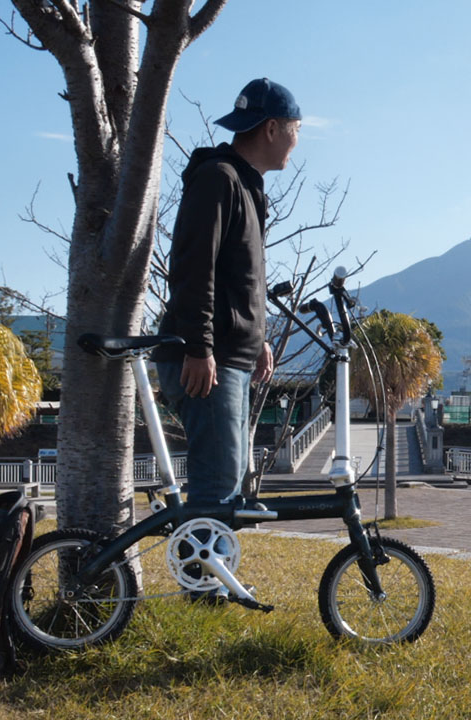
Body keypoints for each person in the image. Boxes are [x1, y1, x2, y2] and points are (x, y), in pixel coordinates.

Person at [154, 78, 302, 508]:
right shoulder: (218, 179)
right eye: (296, 129)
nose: (297, 141)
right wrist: (199, 348)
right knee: (217, 488)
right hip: (205, 360)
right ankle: (202, 578)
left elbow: (237, 280)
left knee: (229, 482)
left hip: (227, 357)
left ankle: (211, 575)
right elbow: (192, 268)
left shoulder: (244, 184)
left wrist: (258, 341)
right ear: (271, 128)